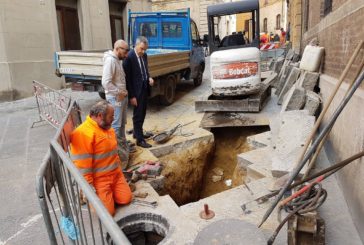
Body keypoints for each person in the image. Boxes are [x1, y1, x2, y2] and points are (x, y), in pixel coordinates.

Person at [70, 101, 132, 216]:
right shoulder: (83, 134)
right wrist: (88, 188)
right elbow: (83, 166)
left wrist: (119, 172)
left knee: (126, 199)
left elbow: (113, 155)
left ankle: (108, 195)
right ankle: (90, 197)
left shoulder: (108, 128)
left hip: (115, 174)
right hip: (99, 179)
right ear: (99, 116)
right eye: (111, 116)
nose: (114, 118)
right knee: (108, 213)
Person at [101, 39, 135, 155]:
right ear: (117, 49)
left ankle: (122, 148)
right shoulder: (110, 61)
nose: (126, 55)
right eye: (125, 52)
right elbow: (106, 82)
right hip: (115, 99)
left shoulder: (118, 60)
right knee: (116, 125)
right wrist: (118, 92)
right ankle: (115, 153)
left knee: (121, 124)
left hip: (120, 97)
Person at [123, 36, 154, 148]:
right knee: (138, 115)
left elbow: (145, 70)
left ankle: (137, 133)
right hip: (136, 91)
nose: (143, 51)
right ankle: (139, 140)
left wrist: (149, 77)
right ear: (136, 45)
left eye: (145, 49)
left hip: (144, 87)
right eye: (141, 49)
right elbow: (127, 79)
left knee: (143, 112)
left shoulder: (144, 55)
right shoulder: (129, 57)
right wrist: (132, 96)